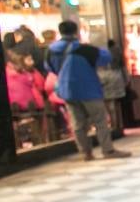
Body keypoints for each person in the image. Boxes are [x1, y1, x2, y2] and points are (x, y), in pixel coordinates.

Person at [46, 21, 131, 161]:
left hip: (67, 90)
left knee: (77, 123)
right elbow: (106, 58)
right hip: (88, 88)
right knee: (100, 120)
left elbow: (50, 68)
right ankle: (107, 150)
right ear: (76, 32)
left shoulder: (51, 51)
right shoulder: (85, 49)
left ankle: (86, 153)